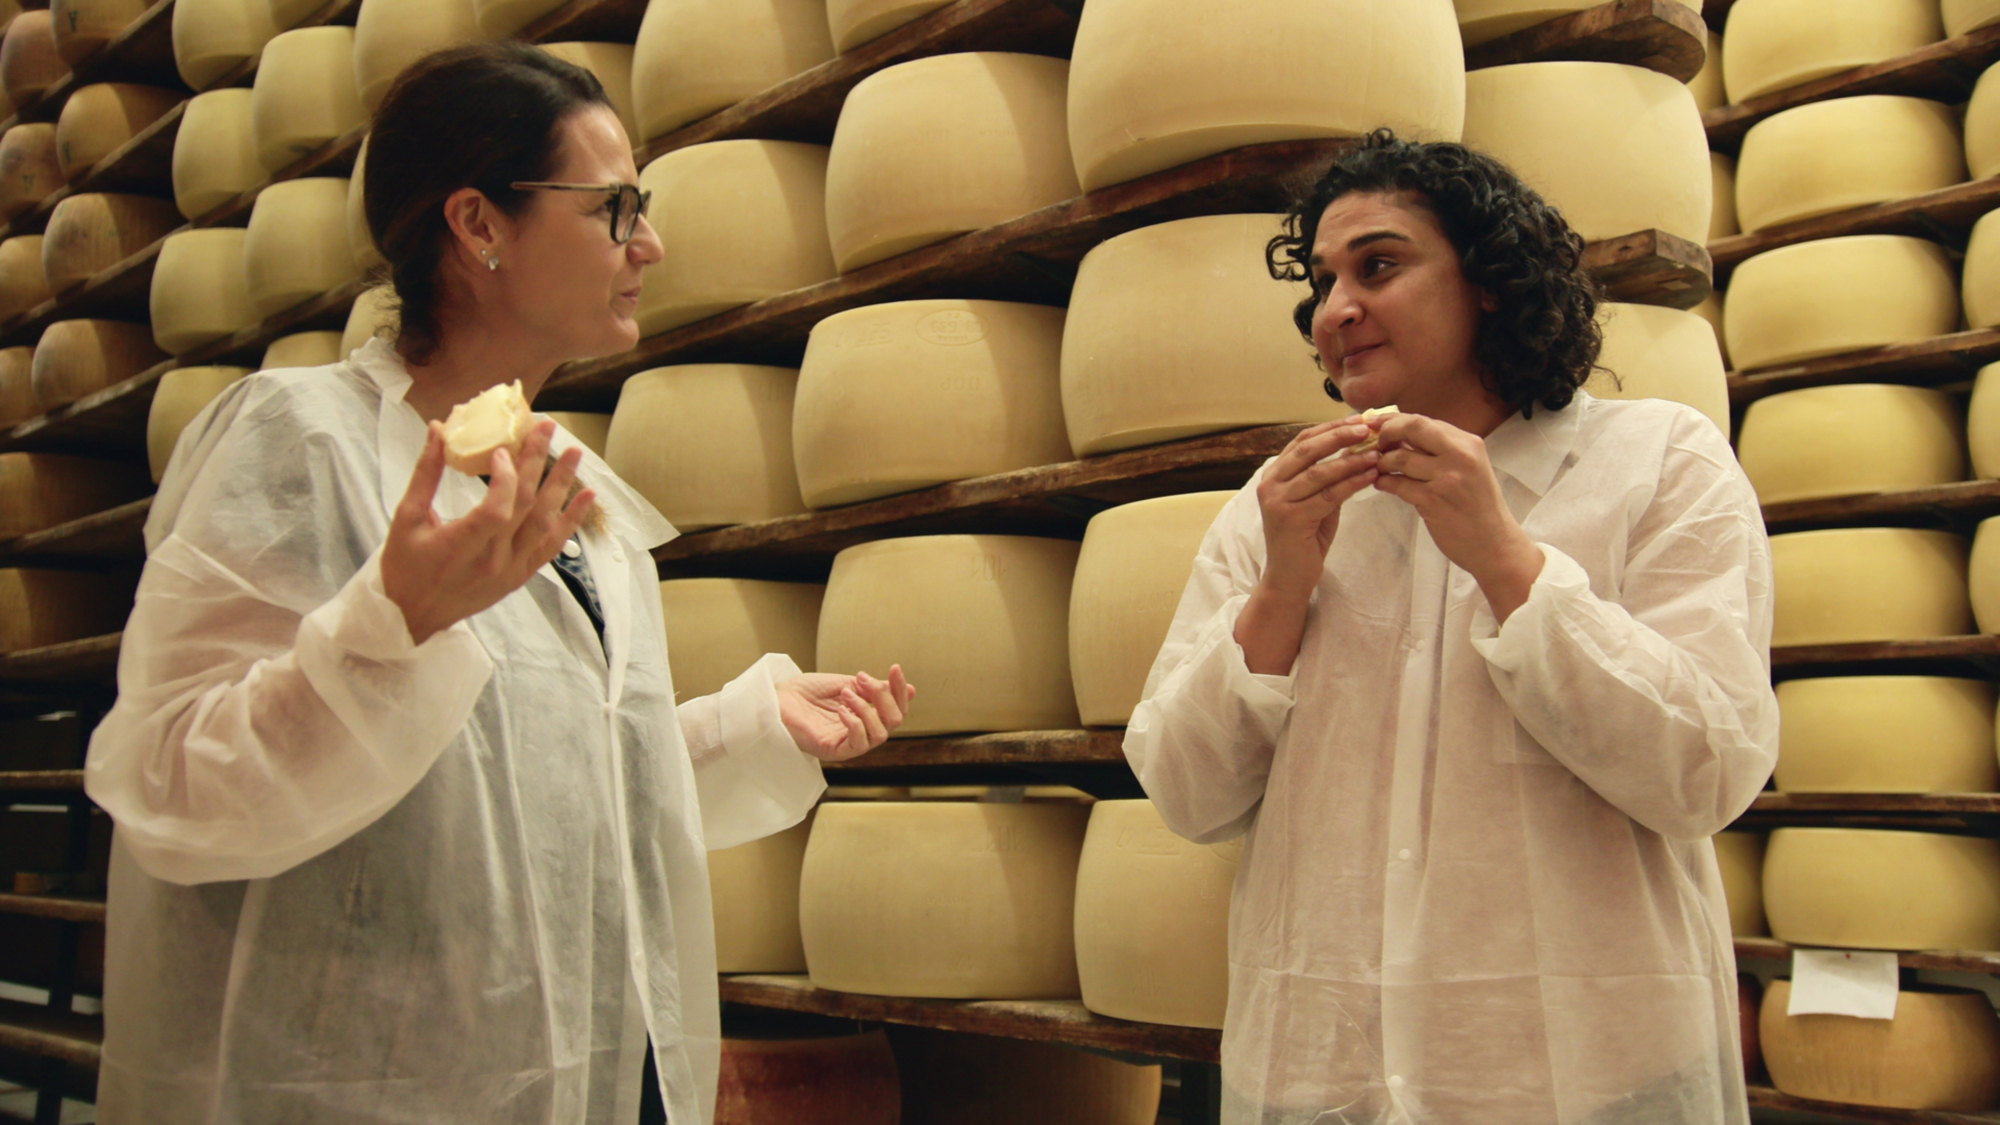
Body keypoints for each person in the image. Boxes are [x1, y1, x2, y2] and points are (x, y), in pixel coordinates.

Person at [82, 43, 911, 1125]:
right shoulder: (305, 446)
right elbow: (169, 786)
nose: (650, 244)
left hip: (577, 1074)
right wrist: (386, 626)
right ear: (477, 226)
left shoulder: (583, 503)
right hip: (359, 1085)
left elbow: (535, 804)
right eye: (613, 209)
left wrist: (741, 727)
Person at [1125, 130, 1777, 1124]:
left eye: (1376, 266)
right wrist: (1281, 590)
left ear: (1486, 281)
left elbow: (1706, 769)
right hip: (1319, 1078)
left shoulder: (1656, 462)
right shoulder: (1275, 506)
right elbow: (1182, 790)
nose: (1334, 308)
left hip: (1581, 1085)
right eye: (1320, 280)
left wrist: (1502, 557)